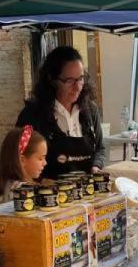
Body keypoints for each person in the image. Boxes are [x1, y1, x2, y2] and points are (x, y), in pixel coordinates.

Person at [16, 46, 107, 178]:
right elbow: (18, 155)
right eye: (69, 81)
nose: (77, 87)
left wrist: (96, 165)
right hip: (48, 194)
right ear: (52, 80)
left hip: (85, 193)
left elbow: (100, 148)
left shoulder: (90, 110)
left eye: (80, 79)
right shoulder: (32, 115)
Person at [0, 126, 47, 201]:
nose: (45, 163)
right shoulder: (25, 192)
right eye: (40, 158)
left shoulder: (5, 184)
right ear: (22, 160)